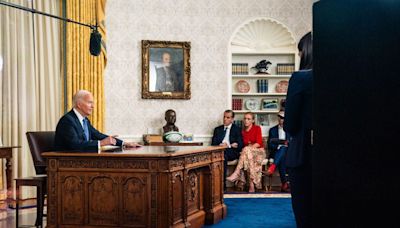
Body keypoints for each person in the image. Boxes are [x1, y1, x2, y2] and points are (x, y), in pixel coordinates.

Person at [284, 32, 313, 228]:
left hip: (303, 154)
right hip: (337, 157)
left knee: (305, 213)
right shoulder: (344, 76)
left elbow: (290, 125)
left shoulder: (300, 78)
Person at [55, 90, 141, 151]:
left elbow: (97, 135)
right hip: (67, 163)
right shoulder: (67, 121)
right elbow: (75, 145)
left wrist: (124, 143)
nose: (92, 106)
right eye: (89, 102)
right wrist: (101, 143)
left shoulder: (85, 120)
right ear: (79, 104)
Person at [226, 112, 265, 193]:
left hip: (259, 152)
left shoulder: (257, 128)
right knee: (248, 158)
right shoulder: (242, 131)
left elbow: (258, 143)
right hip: (248, 154)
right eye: (245, 118)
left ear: (253, 120)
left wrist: (247, 149)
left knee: (246, 150)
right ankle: (251, 185)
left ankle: (236, 173)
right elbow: (241, 144)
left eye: (248, 119)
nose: (246, 121)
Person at [211, 110, 243, 191]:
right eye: (224, 117)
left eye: (228, 117)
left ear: (232, 119)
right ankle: (218, 184)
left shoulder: (237, 129)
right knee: (223, 156)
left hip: (232, 152)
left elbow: (239, 145)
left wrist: (228, 146)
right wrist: (221, 145)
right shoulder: (217, 129)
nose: (225, 119)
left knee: (223, 154)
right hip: (220, 151)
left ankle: (222, 184)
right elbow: (213, 143)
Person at [266, 110, 290, 192]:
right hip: (276, 153)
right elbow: (269, 145)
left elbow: (292, 143)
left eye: (283, 118)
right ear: (278, 118)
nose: (281, 120)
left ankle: (272, 167)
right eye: (280, 117)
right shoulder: (272, 130)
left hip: (288, 153)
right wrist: (278, 147)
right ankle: (284, 184)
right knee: (281, 155)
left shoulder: (290, 130)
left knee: (283, 149)